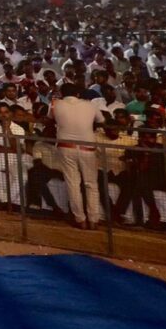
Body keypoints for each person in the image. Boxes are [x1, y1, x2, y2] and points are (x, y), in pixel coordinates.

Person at [51, 83, 108, 229]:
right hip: (87, 147)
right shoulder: (90, 105)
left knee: (73, 184)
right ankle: (94, 219)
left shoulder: (55, 104)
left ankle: (80, 219)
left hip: (66, 147)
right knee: (91, 184)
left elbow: (50, 117)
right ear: (77, 94)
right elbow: (101, 120)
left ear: (62, 93)